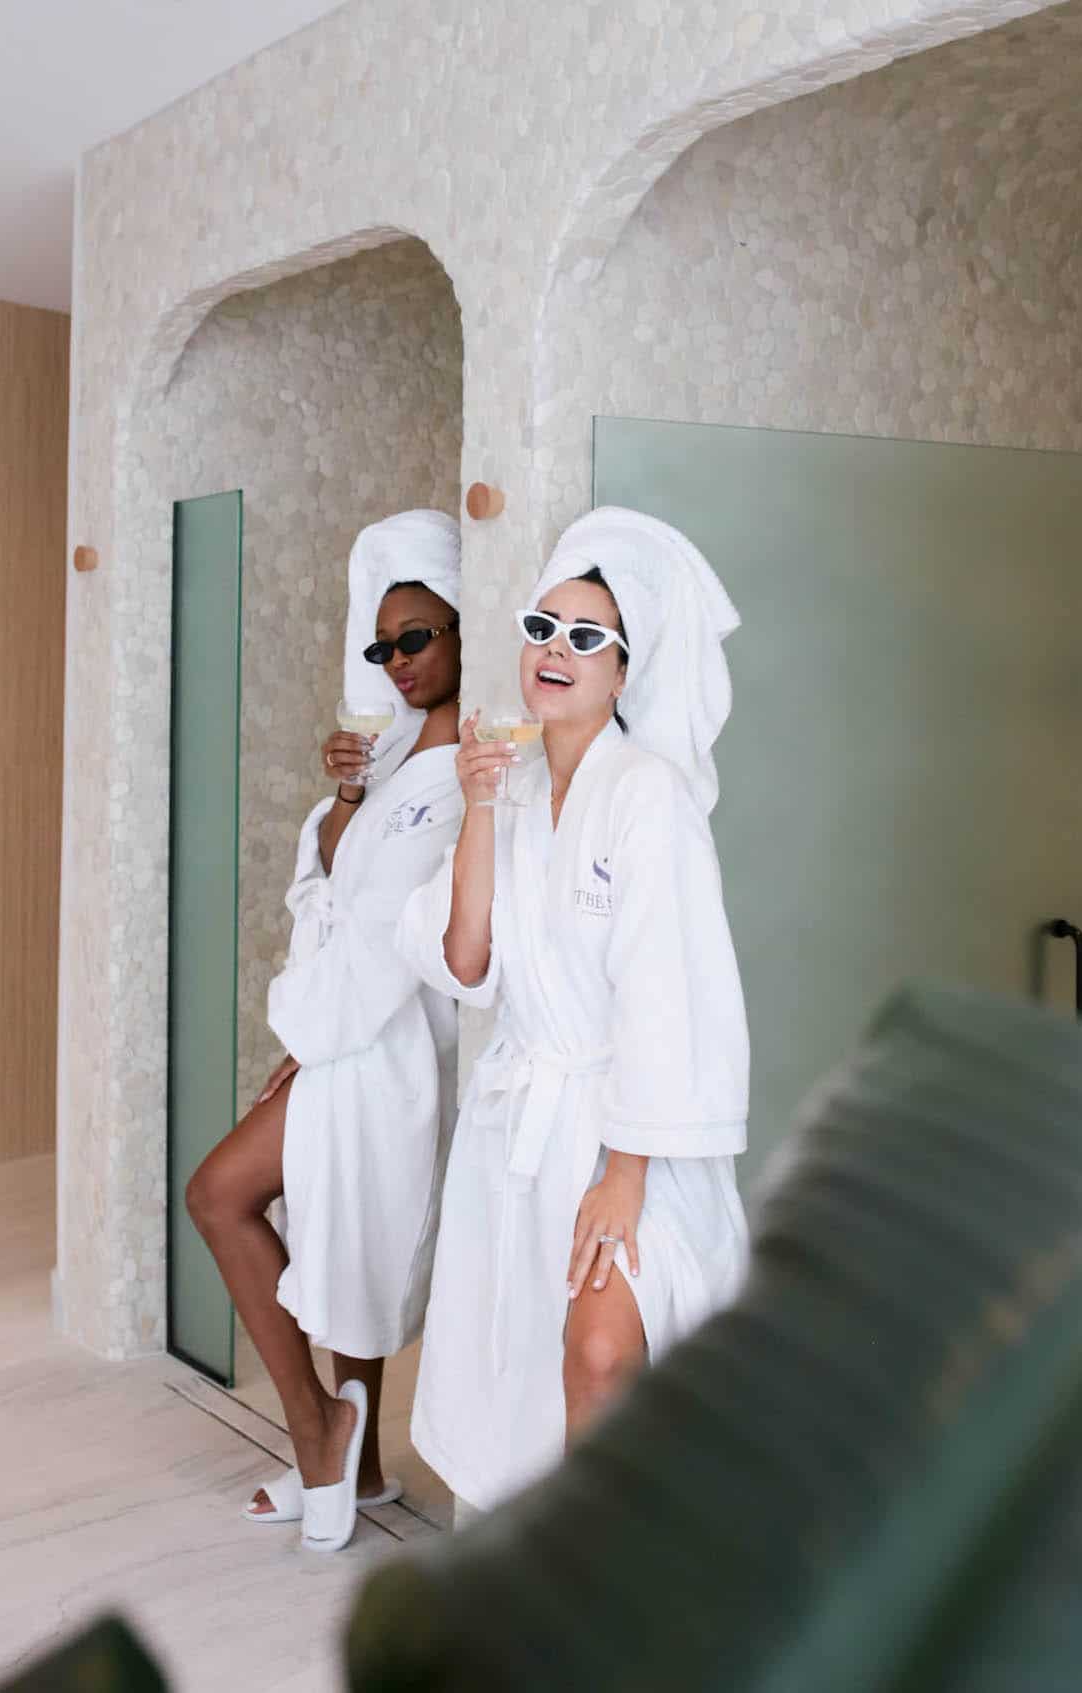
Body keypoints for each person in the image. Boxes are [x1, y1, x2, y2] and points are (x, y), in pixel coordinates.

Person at [397, 505, 750, 1511]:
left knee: (598, 1353)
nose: (556, 650)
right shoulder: (502, 783)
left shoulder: (648, 798)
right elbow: (464, 959)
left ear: (623, 672)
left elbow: (668, 995)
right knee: (521, 1383)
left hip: (630, 1132)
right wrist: (472, 804)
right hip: (519, 1132)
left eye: (586, 637)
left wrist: (625, 1172)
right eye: (541, 627)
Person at [186, 510, 464, 1551]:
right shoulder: (392, 759)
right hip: (345, 1038)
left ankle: (318, 1429)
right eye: (382, 646)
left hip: (390, 1046)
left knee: (222, 1196)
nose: (395, 662)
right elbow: (326, 889)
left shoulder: (462, 774)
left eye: (417, 638)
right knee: (350, 1236)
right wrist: (346, 790)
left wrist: (312, 1027)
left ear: (462, 633)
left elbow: (388, 936)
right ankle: (366, 1462)